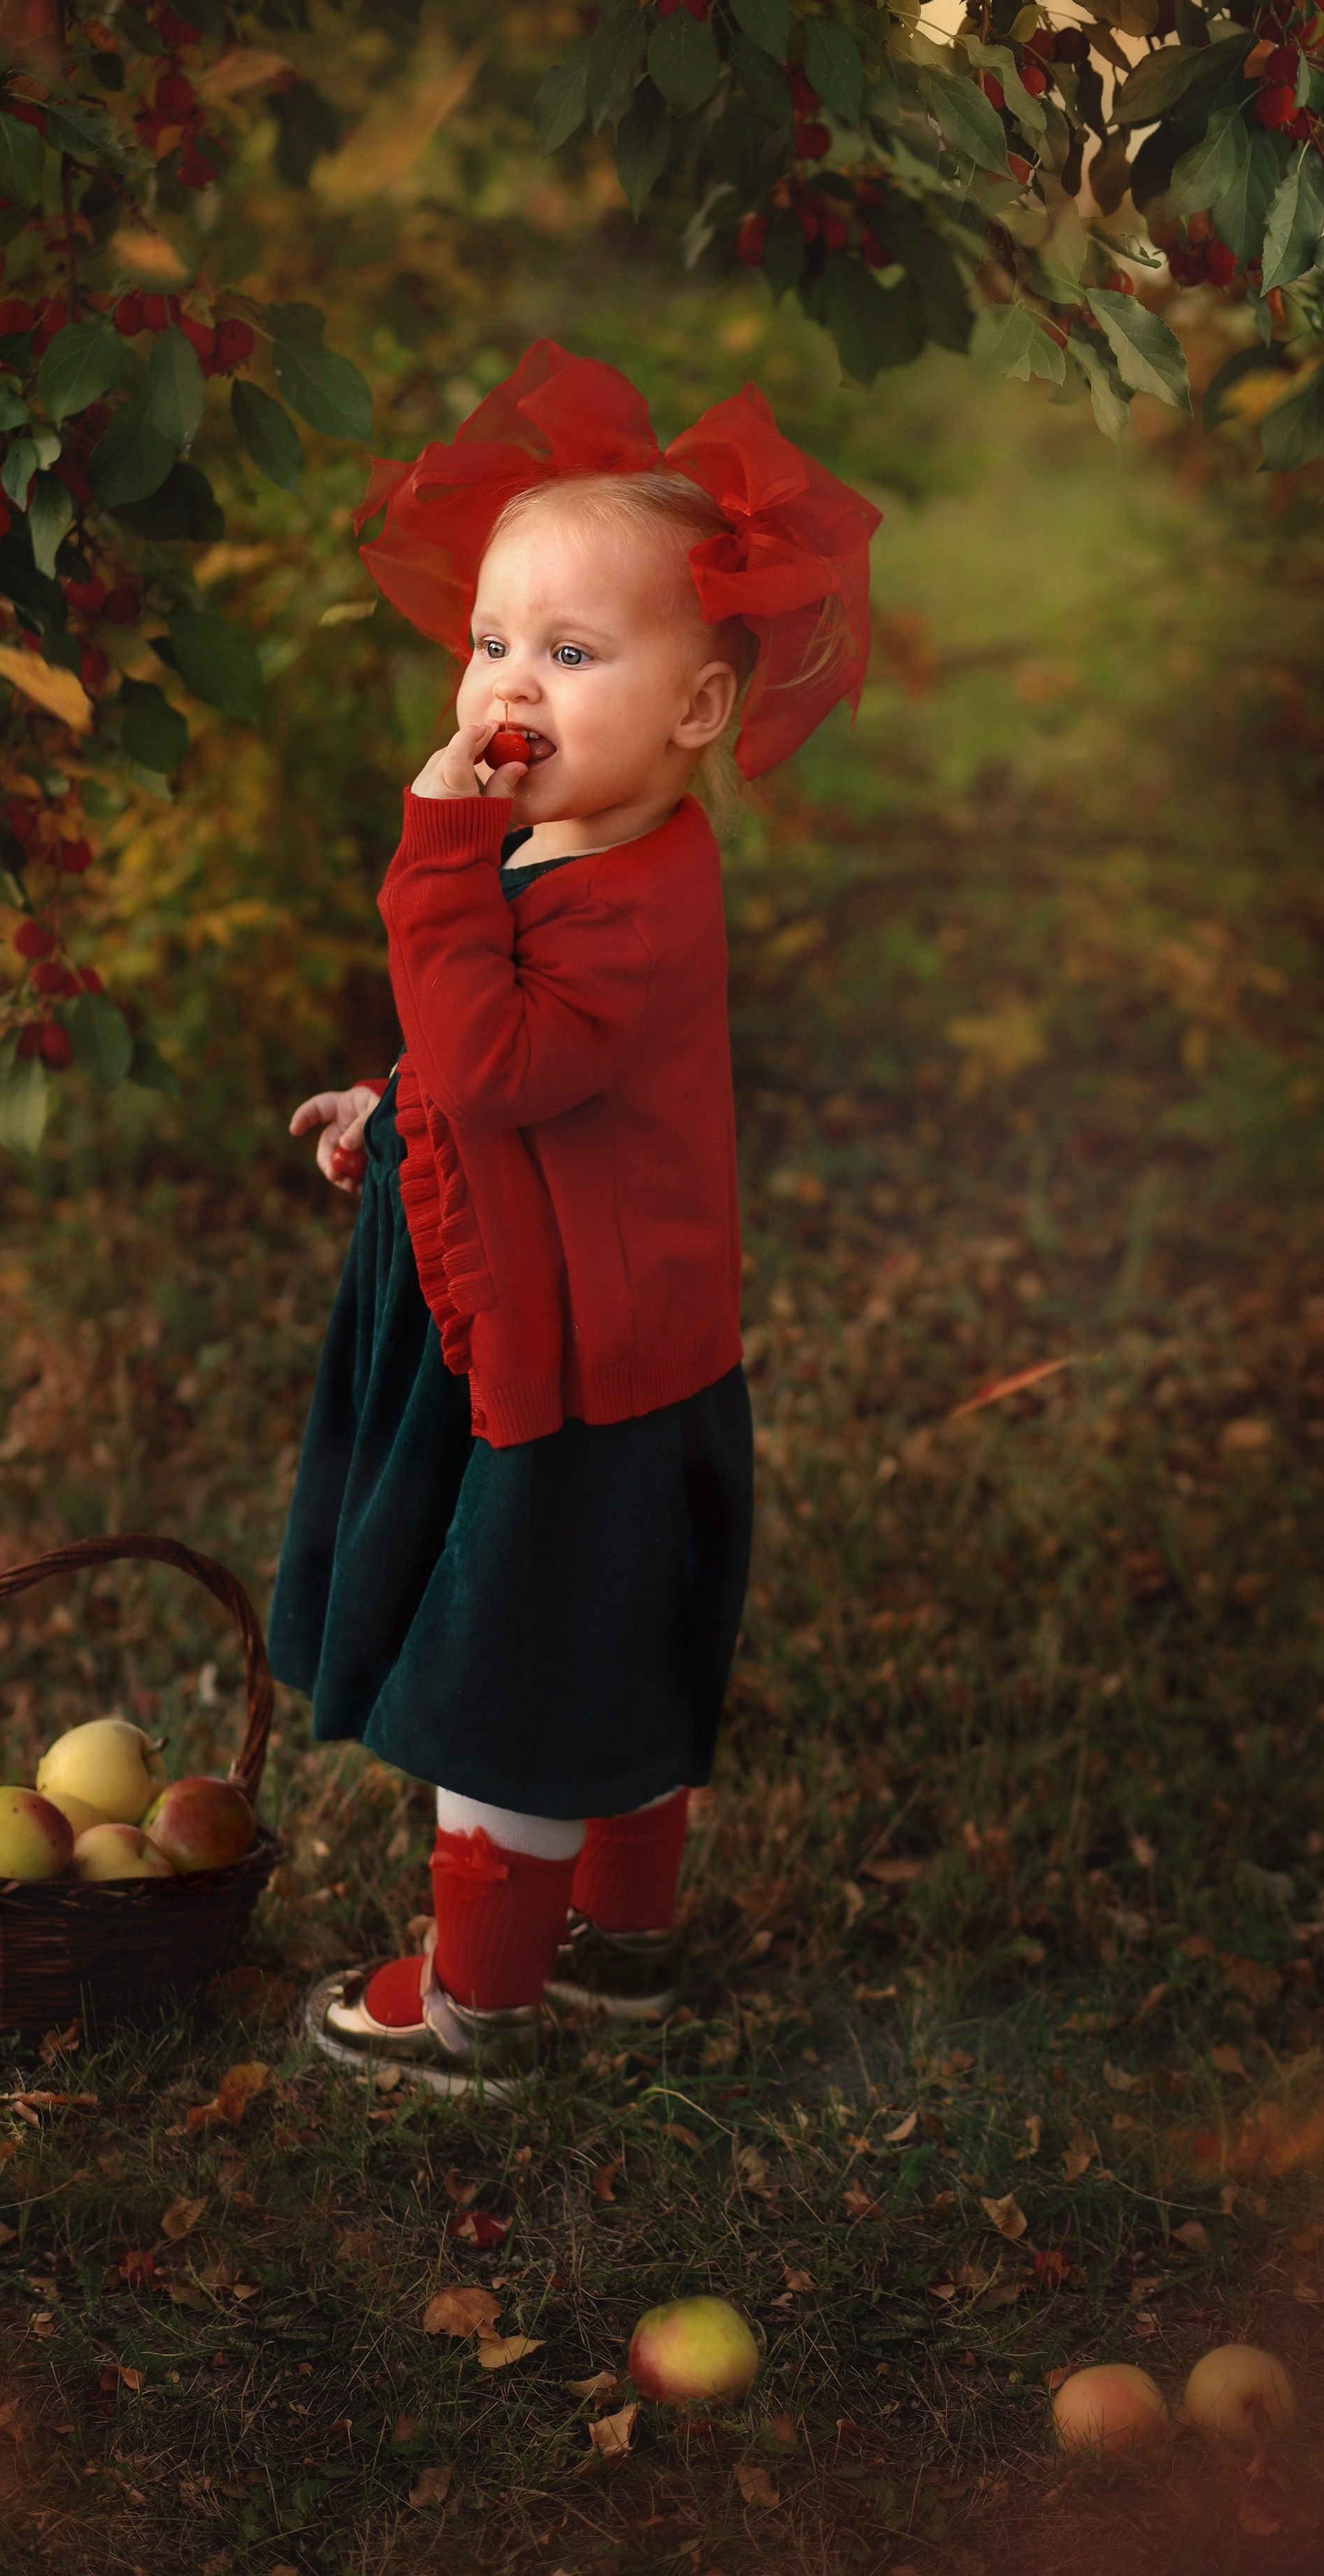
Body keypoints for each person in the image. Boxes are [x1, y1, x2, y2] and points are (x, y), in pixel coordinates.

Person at [268, 340, 879, 2098]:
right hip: (582, 1332)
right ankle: (625, 1942)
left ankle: (478, 2007)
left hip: (574, 1370)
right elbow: (480, 1072)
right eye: (486, 646)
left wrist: (426, 849)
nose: (502, 693)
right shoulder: (577, 850)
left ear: (697, 712)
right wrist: (392, 1119)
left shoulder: (617, 889)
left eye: (570, 653)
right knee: (607, 1635)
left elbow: (511, 1051)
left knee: (516, 1664)